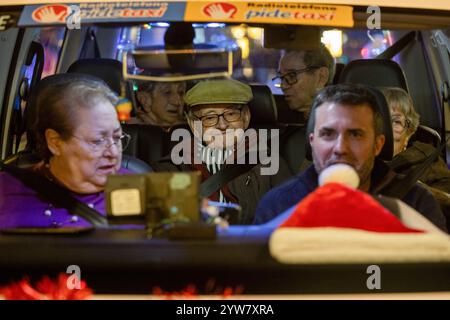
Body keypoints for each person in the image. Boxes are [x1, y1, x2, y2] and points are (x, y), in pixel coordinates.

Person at [254, 84, 447, 231]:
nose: (340, 148)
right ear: (312, 141)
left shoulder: (417, 203)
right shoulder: (279, 205)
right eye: (328, 134)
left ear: (378, 145)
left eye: (355, 134)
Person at [153, 78, 292, 224]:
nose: (222, 124)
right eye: (210, 117)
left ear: (245, 117)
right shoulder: (172, 168)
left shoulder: (268, 163)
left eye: (231, 114)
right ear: (194, 125)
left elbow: (290, 215)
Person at [0, 76, 131, 228]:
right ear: (55, 142)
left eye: (117, 137)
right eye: (97, 141)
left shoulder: (142, 191)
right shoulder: (6, 192)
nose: (113, 153)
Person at [381, 87, 450, 230]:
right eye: (382, 119)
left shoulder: (427, 161)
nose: (386, 129)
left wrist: (415, 189)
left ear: (409, 132)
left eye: (396, 121)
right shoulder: (358, 165)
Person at [273, 44, 335, 124]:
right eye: (281, 78)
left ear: (321, 77)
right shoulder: (276, 121)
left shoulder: (340, 124)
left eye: (291, 76)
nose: (283, 86)